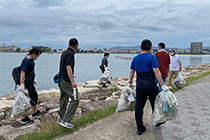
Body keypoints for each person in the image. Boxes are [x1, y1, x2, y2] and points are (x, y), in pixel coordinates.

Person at [129, 39, 169, 135]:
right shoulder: (152, 57)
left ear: (140, 47)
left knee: (139, 108)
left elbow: (131, 72)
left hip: (140, 87)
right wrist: (162, 85)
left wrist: (130, 82)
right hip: (151, 87)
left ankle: (140, 128)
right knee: (155, 106)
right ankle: (158, 121)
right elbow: (156, 71)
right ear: (151, 48)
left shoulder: (135, 58)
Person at [57, 38, 79, 129]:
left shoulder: (65, 52)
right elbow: (68, 68)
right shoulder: (70, 54)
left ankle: (60, 119)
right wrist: (72, 82)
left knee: (64, 99)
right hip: (66, 81)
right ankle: (66, 121)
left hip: (61, 80)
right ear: (76, 45)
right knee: (75, 99)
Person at [19, 48, 44, 124]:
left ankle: (35, 112)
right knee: (25, 101)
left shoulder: (30, 60)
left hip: (30, 82)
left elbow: (30, 71)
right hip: (26, 83)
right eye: (37, 55)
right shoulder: (26, 61)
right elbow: (23, 72)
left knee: (34, 96)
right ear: (34, 54)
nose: (37, 57)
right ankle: (24, 118)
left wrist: (33, 79)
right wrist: (22, 84)